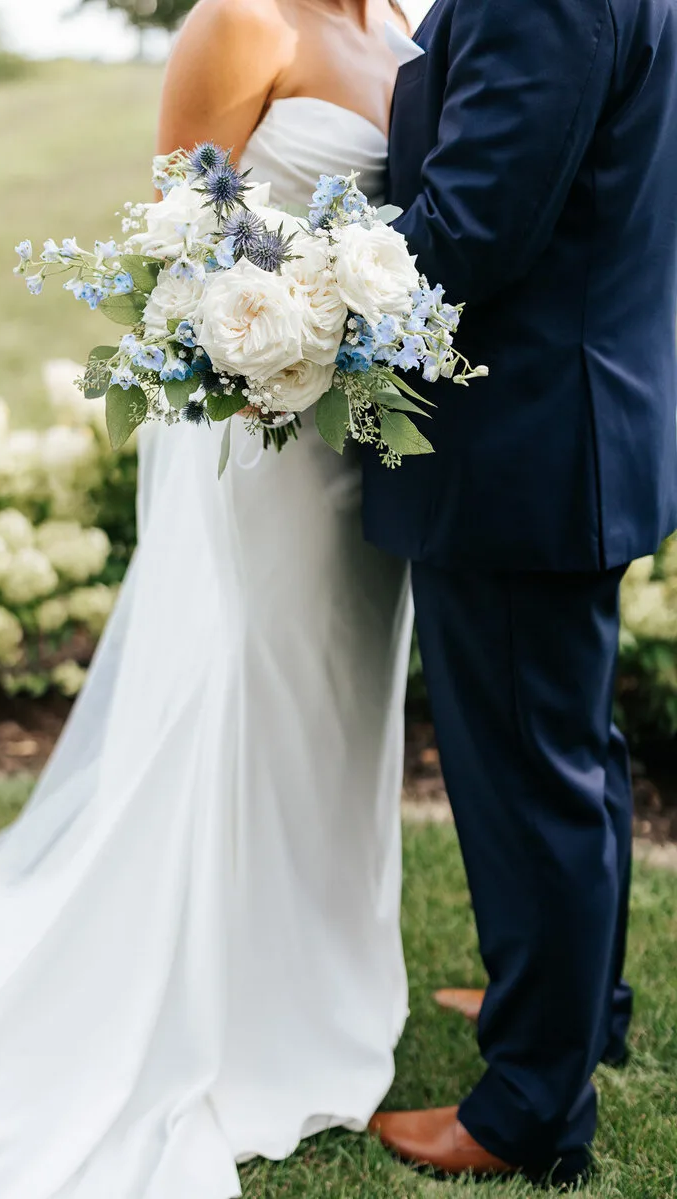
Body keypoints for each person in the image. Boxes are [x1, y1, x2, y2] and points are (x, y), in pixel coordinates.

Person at [0, 3, 417, 1196]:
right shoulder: (236, 21)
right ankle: (226, 994)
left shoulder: (400, 27)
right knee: (252, 684)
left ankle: (320, 967)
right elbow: (178, 246)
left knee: (342, 692)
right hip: (259, 438)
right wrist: (284, 336)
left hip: (361, 440)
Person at [365, 0, 677, 1185]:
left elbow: (470, 230)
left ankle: (528, 1103)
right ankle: (574, 1003)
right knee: (565, 748)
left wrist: (304, 292)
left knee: (529, 769)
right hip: (571, 422)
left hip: (522, 440)